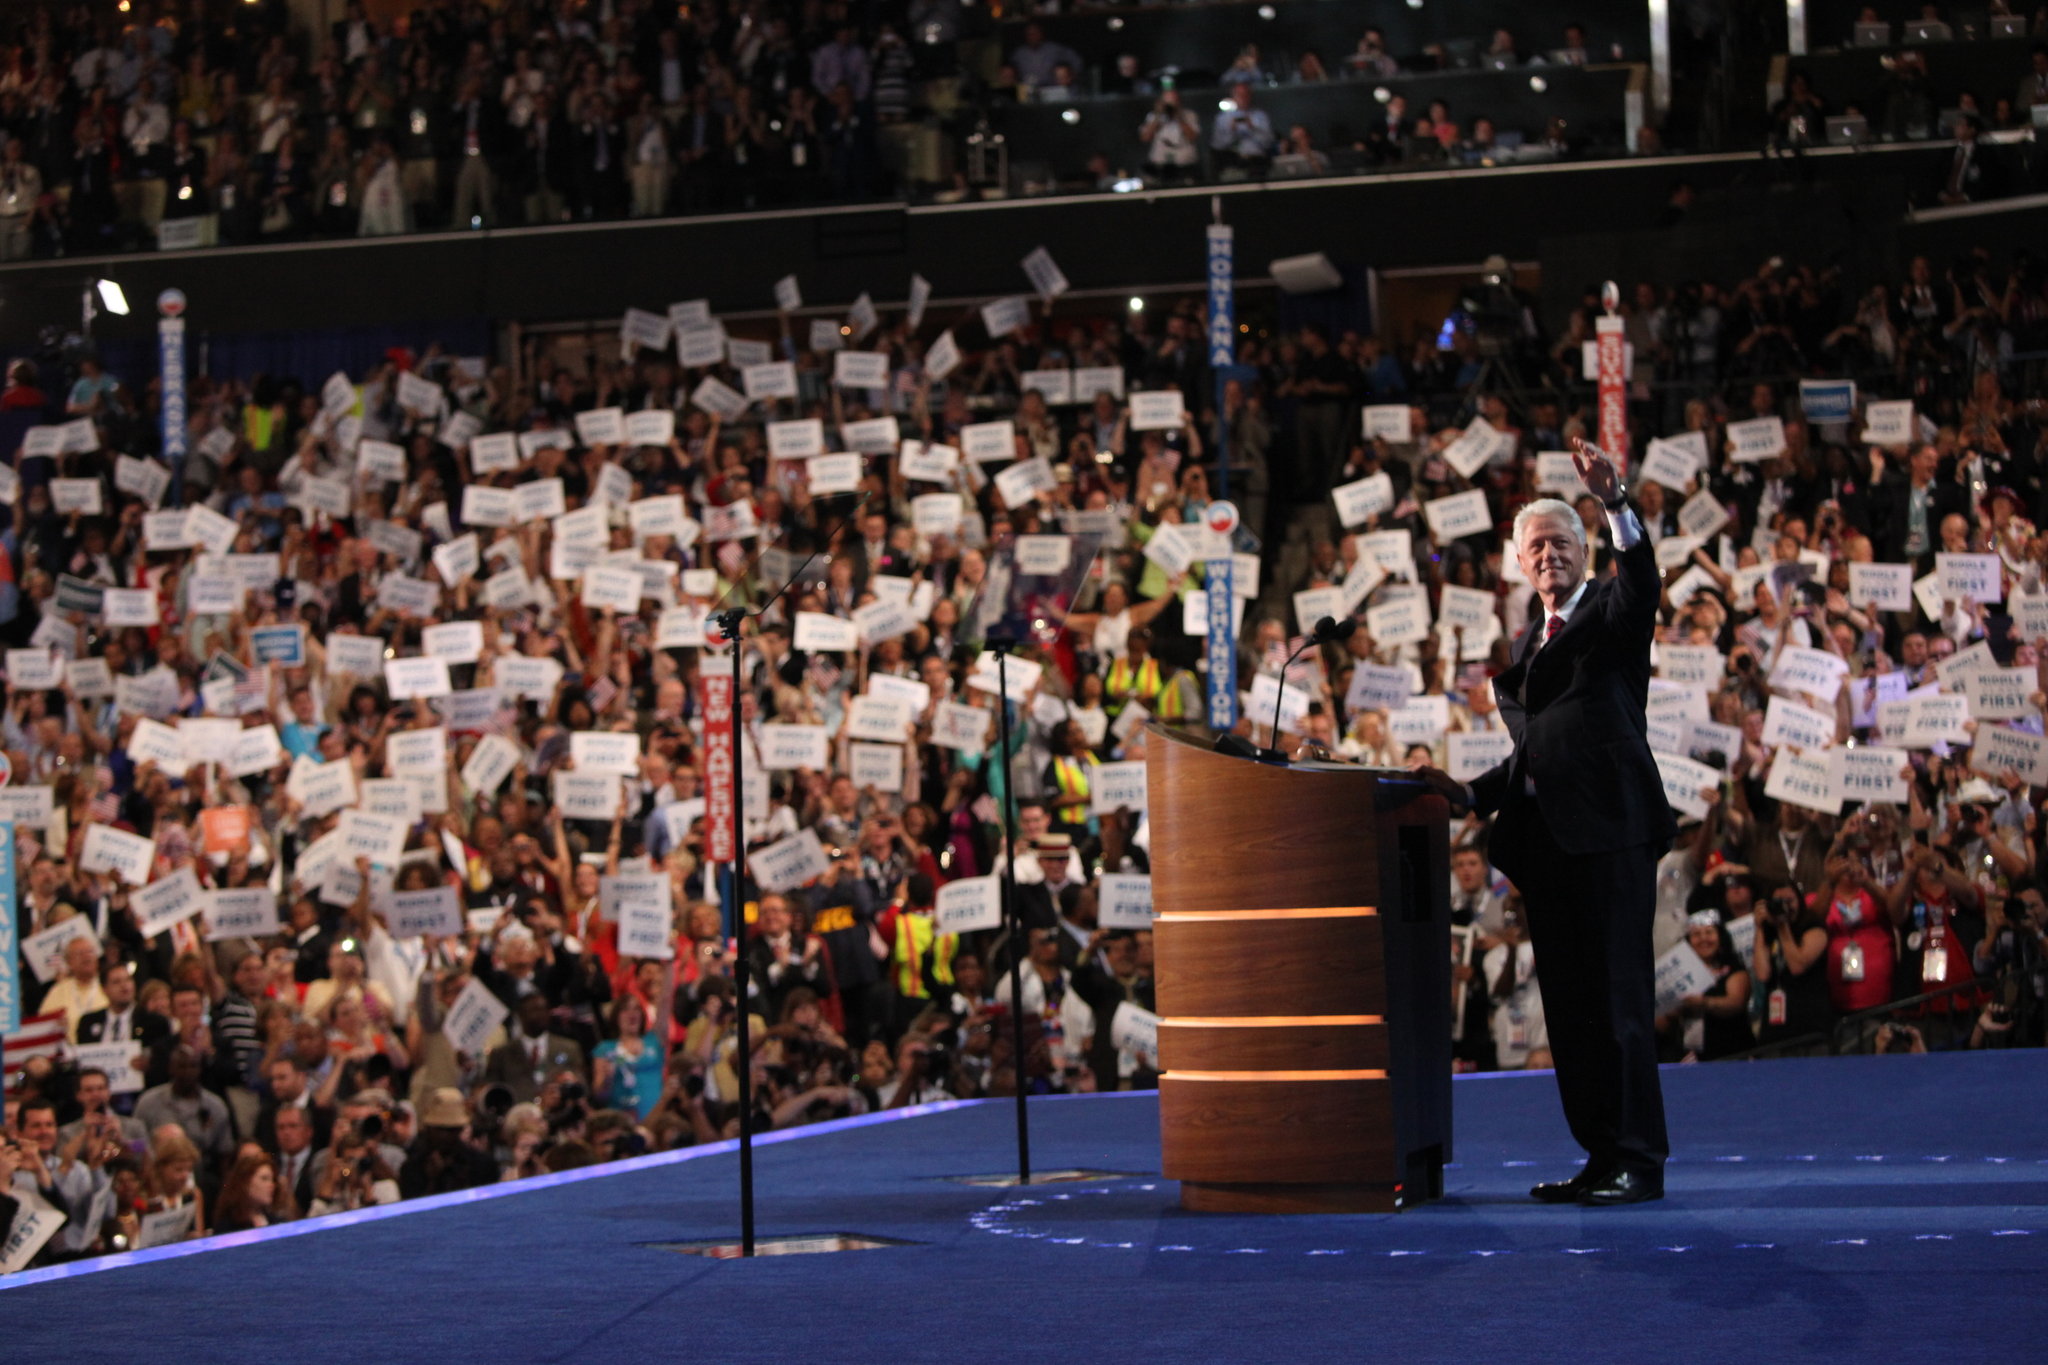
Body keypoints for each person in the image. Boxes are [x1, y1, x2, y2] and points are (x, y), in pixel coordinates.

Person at [1413, 439, 1674, 1205]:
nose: (1550, 554)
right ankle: (1601, 1154)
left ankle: (1639, 1158)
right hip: (1551, 847)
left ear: (1584, 549)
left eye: (1562, 541)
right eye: (1537, 547)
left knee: (1619, 1001)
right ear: (1521, 566)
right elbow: (1534, 755)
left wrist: (1616, 502)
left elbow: (1643, 581)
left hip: (1612, 832)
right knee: (1574, 1010)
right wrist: (1463, 794)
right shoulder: (1533, 639)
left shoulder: (1613, 613)